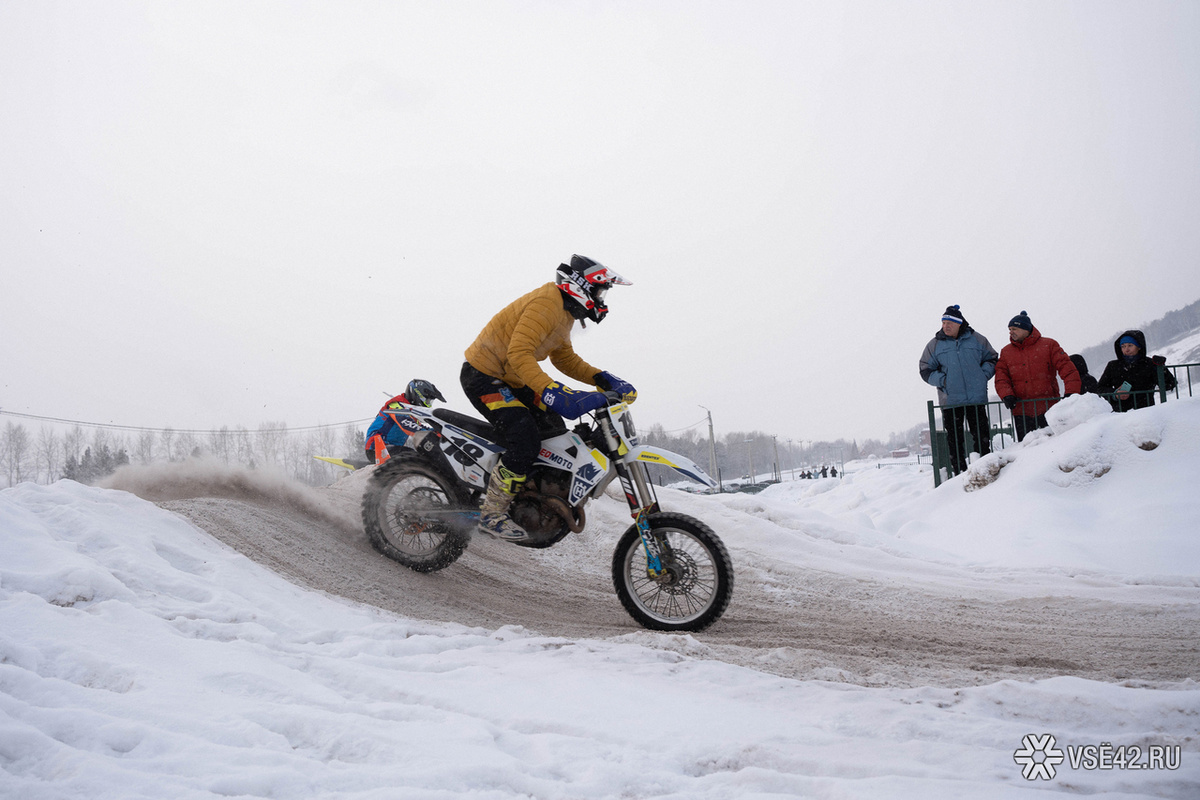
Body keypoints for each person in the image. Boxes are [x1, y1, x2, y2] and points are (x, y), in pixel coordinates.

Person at [461, 254, 637, 541]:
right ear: (582, 286)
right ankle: (492, 512)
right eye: (600, 291)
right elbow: (519, 353)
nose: (602, 299)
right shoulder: (546, 304)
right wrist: (551, 390)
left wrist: (601, 378)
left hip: (510, 378)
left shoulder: (564, 313)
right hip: (483, 376)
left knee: (553, 426)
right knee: (524, 435)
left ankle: (532, 493)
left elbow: (563, 357)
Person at [918, 305, 999, 474]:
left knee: (982, 437)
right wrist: (943, 381)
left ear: (959, 323)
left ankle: (986, 470)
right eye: (944, 322)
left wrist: (982, 375)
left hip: (976, 399)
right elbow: (925, 369)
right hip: (951, 401)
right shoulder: (934, 345)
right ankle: (959, 473)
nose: (946, 326)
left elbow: (992, 359)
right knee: (955, 441)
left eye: (950, 323)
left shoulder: (977, 339)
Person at [994, 311, 1081, 441]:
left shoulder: (1049, 345)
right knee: (1026, 449)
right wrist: (1006, 395)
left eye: (1014, 329)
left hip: (1049, 408)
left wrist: (1071, 393)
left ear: (1026, 329)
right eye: (1009, 329)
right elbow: (1001, 377)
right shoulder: (1006, 352)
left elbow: (1067, 369)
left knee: (1052, 444)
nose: (1011, 332)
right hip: (1021, 411)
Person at [364, 379, 446, 464]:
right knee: (414, 458)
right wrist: (432, 434)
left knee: (420, 455)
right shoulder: (396, 405)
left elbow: (419, 427)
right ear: (417, 395)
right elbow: (406, 424)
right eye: (427, 401)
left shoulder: (410, 413)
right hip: (377, 447)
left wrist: (439, 432)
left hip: (390, 448)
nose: (428, 405)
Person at [1097, 330, 1178, 412]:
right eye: (1123, 346)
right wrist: (1115, 394)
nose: (1126, 349)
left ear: (1139, 347)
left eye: (1130, 345)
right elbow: (1100, 388)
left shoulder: (1149, 364)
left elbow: (1169, 384)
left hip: (1146, 413)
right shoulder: (1113, 366)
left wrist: (1162, 368)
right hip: (1120, 416)